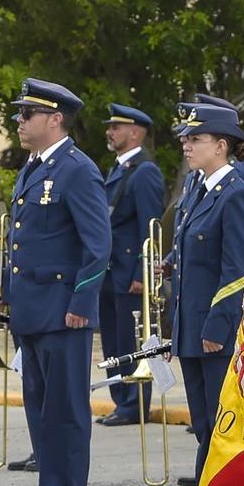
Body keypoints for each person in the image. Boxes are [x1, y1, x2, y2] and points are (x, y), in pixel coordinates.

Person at [2, 79, 109, 486]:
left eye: (28, 115)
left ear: (55, 119)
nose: (20, 123)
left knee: (65, 410)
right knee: (40, 407)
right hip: (33, 308)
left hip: (63, 310)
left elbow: (98, 244)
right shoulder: (33, 167)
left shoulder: (76, 169)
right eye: (20, 115)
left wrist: (81, 303)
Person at [169, 103, 244, 486]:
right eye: (187, 139)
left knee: (219, 425)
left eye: (196, 139)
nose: (187, 145)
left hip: (215, 333)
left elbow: (238, 269)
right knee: (204, 425)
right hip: (191, 328)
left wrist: (217, 326)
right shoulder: (200, 189)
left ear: (221, 146)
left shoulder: (236, 193)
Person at [98, 103, 165, 427]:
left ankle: (134, 404)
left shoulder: (144, 171)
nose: (110, 132)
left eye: (116, 127)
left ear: (135, 132)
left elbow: (149, 228)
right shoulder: (120, 169)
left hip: (128, 274)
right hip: (111, 271)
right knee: (113, 340)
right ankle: (119, 399)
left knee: (129, 340)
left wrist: (143, 273)